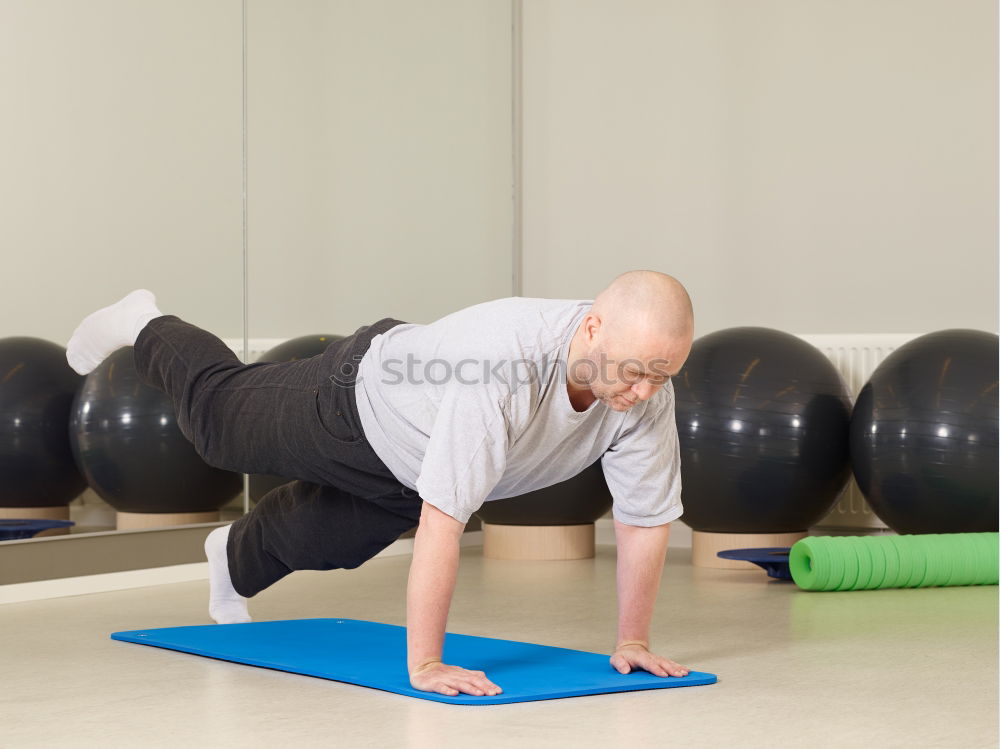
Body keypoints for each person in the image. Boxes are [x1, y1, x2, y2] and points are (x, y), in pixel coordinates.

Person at [66, 269, 694, 699]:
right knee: (216, 428)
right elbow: (444, 523)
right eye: (633, 371)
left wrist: (633, 639)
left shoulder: (645, 394)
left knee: (327, 540)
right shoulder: (501, 366)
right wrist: (424, 662)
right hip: (355, 401)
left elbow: (643, 518)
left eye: (659, 377)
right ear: (591, 328)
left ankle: (229, 559)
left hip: (414, 460)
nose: (641, 392)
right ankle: (144, 322)